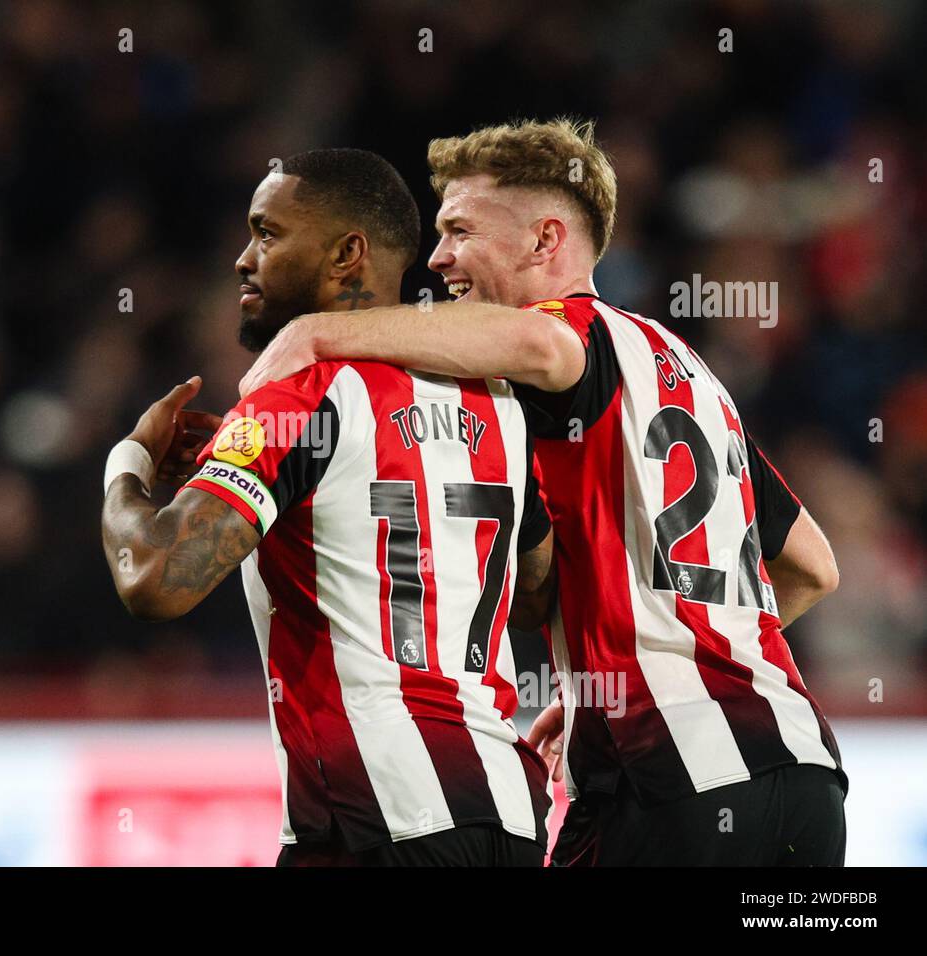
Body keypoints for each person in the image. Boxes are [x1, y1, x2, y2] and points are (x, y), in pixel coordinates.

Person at [240, 120, 846, 866]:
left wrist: (317, 335)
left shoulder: (569, 334)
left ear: (544, 240)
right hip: (804, 775)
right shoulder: (686, 371)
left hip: (670, 784)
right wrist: (652, 667)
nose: (438, 258)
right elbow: (813, 566)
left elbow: (542, 346)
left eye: (460, 229)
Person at [101, 148, 555, 865]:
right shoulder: (498, 401)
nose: (244, 260)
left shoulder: (301, 395)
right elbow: (531, 594)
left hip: (375, 817)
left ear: (348, 254)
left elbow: (153, 578)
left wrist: (124, 463)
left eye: (268, 234)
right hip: (509, 817)